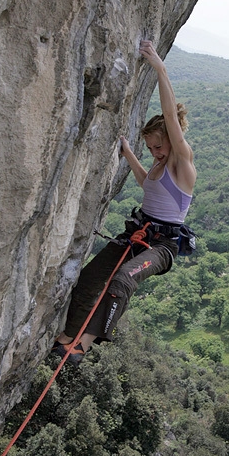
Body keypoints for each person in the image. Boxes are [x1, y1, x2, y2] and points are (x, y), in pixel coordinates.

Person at [52, 40, 197, 366]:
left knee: (122, 281)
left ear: (170, 142)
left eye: (159, 147)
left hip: (162, 247)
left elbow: (171, 117)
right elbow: (146, 183)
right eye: (151, 148)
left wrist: (160, 69)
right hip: (139, 234)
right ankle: (68, 337)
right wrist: (129, 152)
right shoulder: (160, 167)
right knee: (89, 279)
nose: (156, 153)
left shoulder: (182, 164)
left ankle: (83, 345)